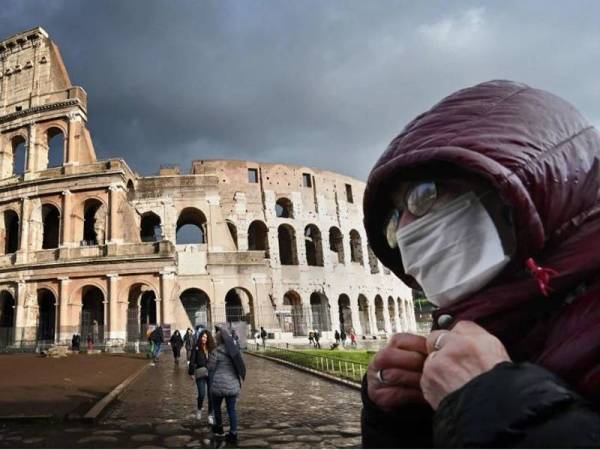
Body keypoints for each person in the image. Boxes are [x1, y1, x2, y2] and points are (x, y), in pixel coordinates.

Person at [360, 80, 600, 448]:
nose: (405, 231)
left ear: (521, 187)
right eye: (394, 221)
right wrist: (401, 421)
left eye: (423, 195)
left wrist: (494, 401)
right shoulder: (495, 324)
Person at [209, 327, 246, 444]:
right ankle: (233, 433)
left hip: (218, 385)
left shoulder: (216, 352)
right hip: (232, 385)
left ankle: (219, 428)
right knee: (231, 410)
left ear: (218, 340)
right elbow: (239, 365)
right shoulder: (234, 351)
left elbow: (210, 367)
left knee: (217, 407)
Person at [188, 329, 216, 423]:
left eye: (206, 337)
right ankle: (199, 409)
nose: (204, 339)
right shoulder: (196, 347)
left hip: (211, 372)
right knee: (201, 393)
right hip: (200, 372)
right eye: (203, 337)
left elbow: (216, 360)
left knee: (211, 395)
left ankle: (210, 415)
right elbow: (192, 360)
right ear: (200, 337)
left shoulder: (212, 347)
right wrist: (191, 372)